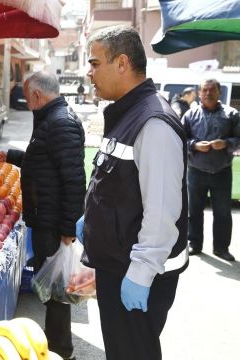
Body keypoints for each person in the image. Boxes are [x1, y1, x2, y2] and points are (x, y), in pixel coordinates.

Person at [82, 25, 188, 360]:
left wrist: (141, 273)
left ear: (122, 63)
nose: (89, 73)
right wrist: (92, 218)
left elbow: (161, 211)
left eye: (95, 63)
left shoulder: (153, 123)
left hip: (136, 273)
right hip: (116, 264)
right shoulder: (127, 113)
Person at [6, 72, 85, 360]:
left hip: (52, 223)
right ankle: (55, 346)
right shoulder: (51, 120)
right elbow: (43, 162)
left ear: (37, 96)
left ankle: (60, 352)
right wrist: (11, 156)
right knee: (52, 288)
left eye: (27, 99)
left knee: (56, 292)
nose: (28, 104)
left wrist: (67, 229)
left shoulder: (60, 123)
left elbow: (74, 180)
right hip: (46, 217)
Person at [182, 79, 240, 261]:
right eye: (204, 90)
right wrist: (195, 145)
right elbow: (179, 140)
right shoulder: (190, 115)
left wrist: (226, 143)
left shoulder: (232, 115)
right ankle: (194, 243)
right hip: (195, 170)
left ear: (219, 92)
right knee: (193, 210)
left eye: (211, 90)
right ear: (199, 93)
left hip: (222, 171)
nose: (208, 93)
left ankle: (221, 248)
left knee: (222, 212)